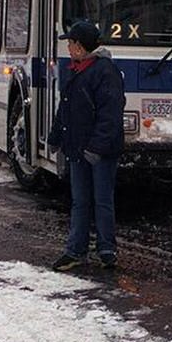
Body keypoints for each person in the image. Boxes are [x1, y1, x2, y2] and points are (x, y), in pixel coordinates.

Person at [48, 19, 125, 271]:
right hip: (78, 148)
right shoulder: (77, 69)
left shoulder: (104, 71)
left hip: (99, 152)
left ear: (80, 46)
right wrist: (57, 136)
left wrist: (96, 147)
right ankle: (76, 250)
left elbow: (110, 114)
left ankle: (106, 249)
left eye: (70, 43)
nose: (68, 48)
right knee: (80, 201)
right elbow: (66, 108)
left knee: (101, 199)